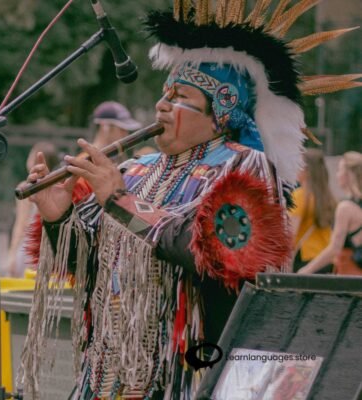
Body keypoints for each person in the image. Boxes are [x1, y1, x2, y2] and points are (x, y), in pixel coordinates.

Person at [18, 2, 361, 398]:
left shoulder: (245, 167)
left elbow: (214, 254)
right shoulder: (135, 169)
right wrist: (59, 217)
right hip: (110, 373)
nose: (161, 105)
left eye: (180, 96)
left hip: (189, 373)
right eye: (164, 93)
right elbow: (89, 263)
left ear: (220, 113)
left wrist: (120, 200)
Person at [298, 151, 362, 276]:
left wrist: (306, 270)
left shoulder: (345, 207)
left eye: (339, 170)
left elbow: (335, 248)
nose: (337, 175)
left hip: (349, 276)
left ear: (347, 175)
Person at [6, 142, 59, 277]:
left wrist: (12, 254)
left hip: (29, 246)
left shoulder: (25, 188)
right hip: (49, 247)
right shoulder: (57, 187)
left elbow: (21, 223)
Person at [290, 149, 335, 272]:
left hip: (305, 260)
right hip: (326, 260)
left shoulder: (300, 196)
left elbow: (291, 234)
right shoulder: (329, 198)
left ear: (307, 171)